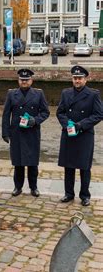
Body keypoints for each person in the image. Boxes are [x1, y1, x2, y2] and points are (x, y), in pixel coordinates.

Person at [57, 66, 103, 206]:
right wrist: (68, 124)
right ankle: (69, 193)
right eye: (75, 78)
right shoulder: (65, 93)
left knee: (84, 167)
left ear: (85, 79)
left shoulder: (93, 94)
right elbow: (60, 112)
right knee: (68, 166)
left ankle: (85, 195)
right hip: (69, 134)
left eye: (80, 78)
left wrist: (80, 125)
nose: (77, 80)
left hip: (84, 135)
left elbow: (99, 114)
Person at [2, 69, 50, 197]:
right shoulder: (11, 94)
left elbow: (46, 112)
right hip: (16, 132)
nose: (24, 82)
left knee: (32, 163)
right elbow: (6, 114)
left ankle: (33, 187)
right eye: (22, 80)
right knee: (18, 163)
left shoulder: (38, 94)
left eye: (26, 80)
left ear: (31, 80)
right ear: (18, 81)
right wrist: (5, 133)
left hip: (32, 132)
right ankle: (18, 187)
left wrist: (35, 120)